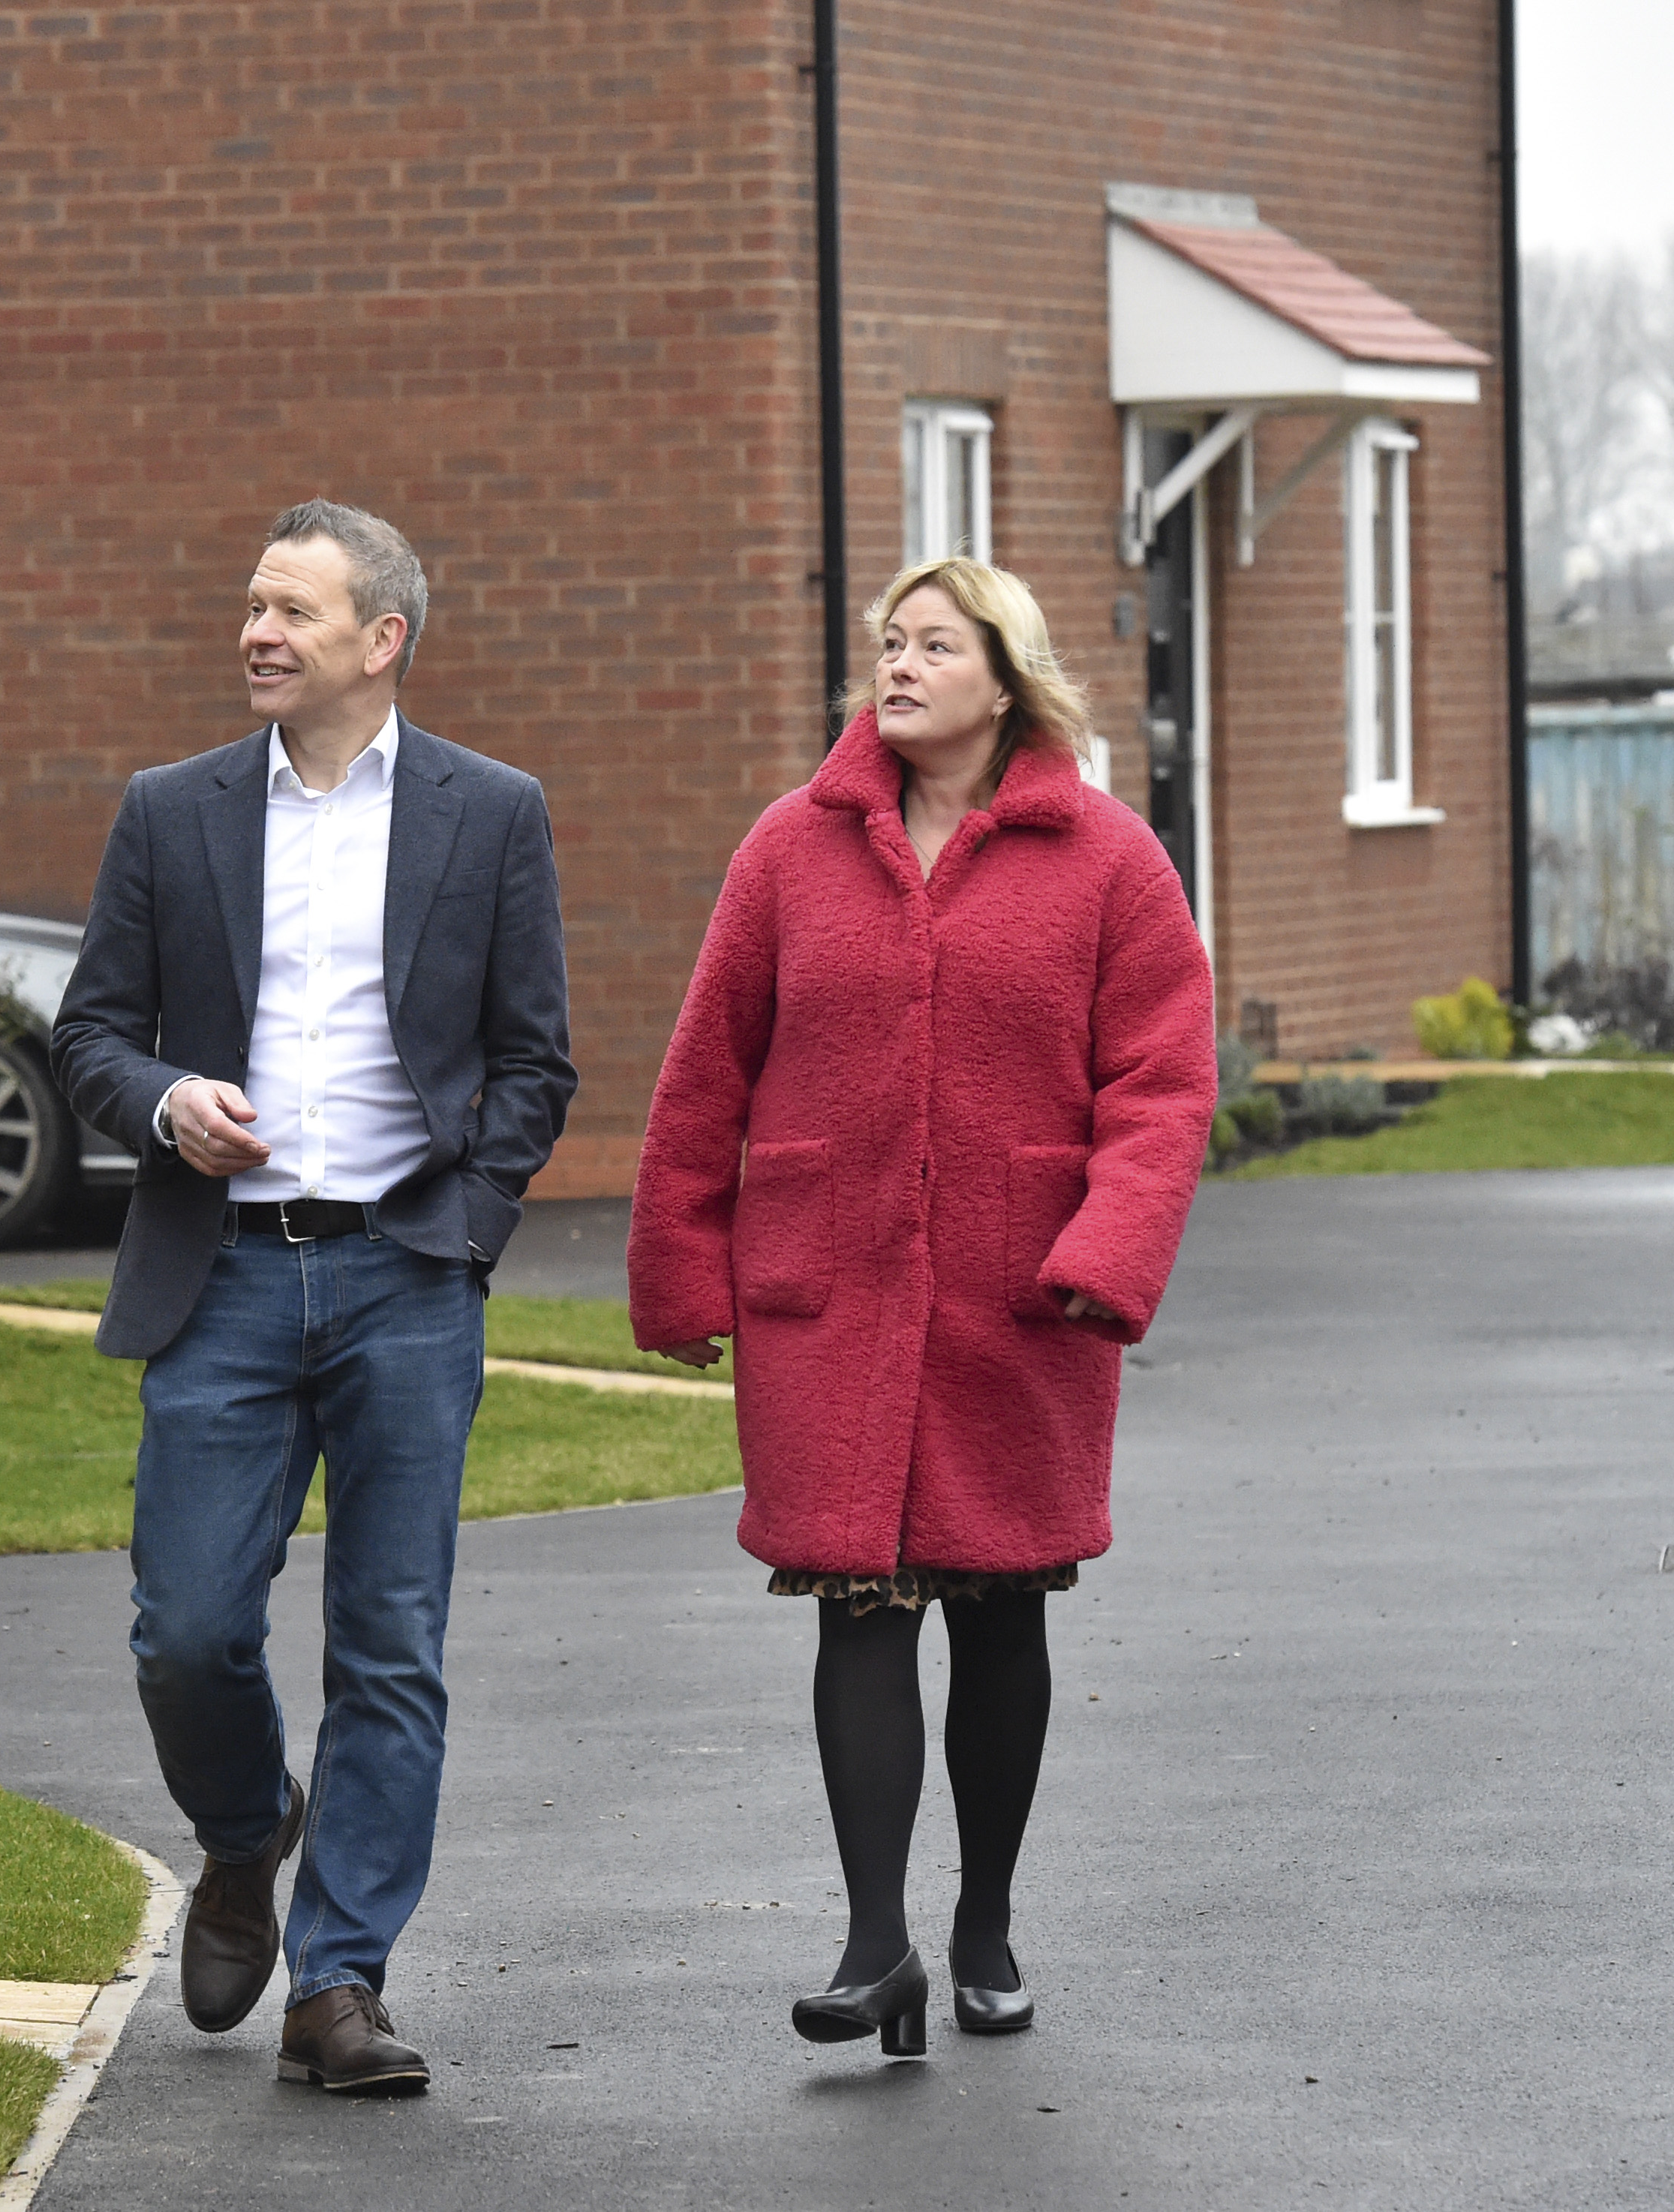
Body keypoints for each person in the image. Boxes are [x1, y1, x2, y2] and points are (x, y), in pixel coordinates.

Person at [626, 558, 1216, 2058]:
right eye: (886, 644)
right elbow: (707, 1074)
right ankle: (875, 1939)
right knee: (859, 1605)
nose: (895, 666)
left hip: (1024, 1302)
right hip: (825, 1302)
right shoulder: (788, 849)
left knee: (999, 1609)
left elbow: (1160, 1083)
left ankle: (985, 1925)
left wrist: (1108, 1247)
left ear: (1004, 678)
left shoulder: (1107, 859)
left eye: (932, 645)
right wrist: (679, 1265)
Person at [52, 498, 576, 2096]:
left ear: (382, 638)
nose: (256, 632)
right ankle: (237, 1834)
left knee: (390, 1643)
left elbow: (532, 1059)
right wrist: (163, 1103)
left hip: (403, 1275)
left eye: (292, 609)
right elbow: (89, 1039)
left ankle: (338, 1981)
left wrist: (464, 1228)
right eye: (251, 605)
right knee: (188, 1629)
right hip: (219, 1278)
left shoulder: (492, 815)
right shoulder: (173, 810)